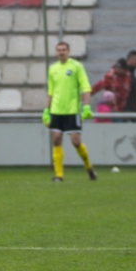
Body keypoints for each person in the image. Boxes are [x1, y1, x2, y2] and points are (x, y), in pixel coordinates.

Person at [42, 41, 97, 182]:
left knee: (75, 142)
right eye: (59, 50)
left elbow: (85, 87)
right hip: (56, 110)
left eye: (64, 50)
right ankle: (59, 175)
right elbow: (51, 91)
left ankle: (89, 168)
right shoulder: (52, 68)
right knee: (56, 139)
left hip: (72, 110)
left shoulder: (76, 66)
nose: (61, 52)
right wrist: (46, 110)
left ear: (68, 51)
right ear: (56, 52)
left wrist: (86, 106)